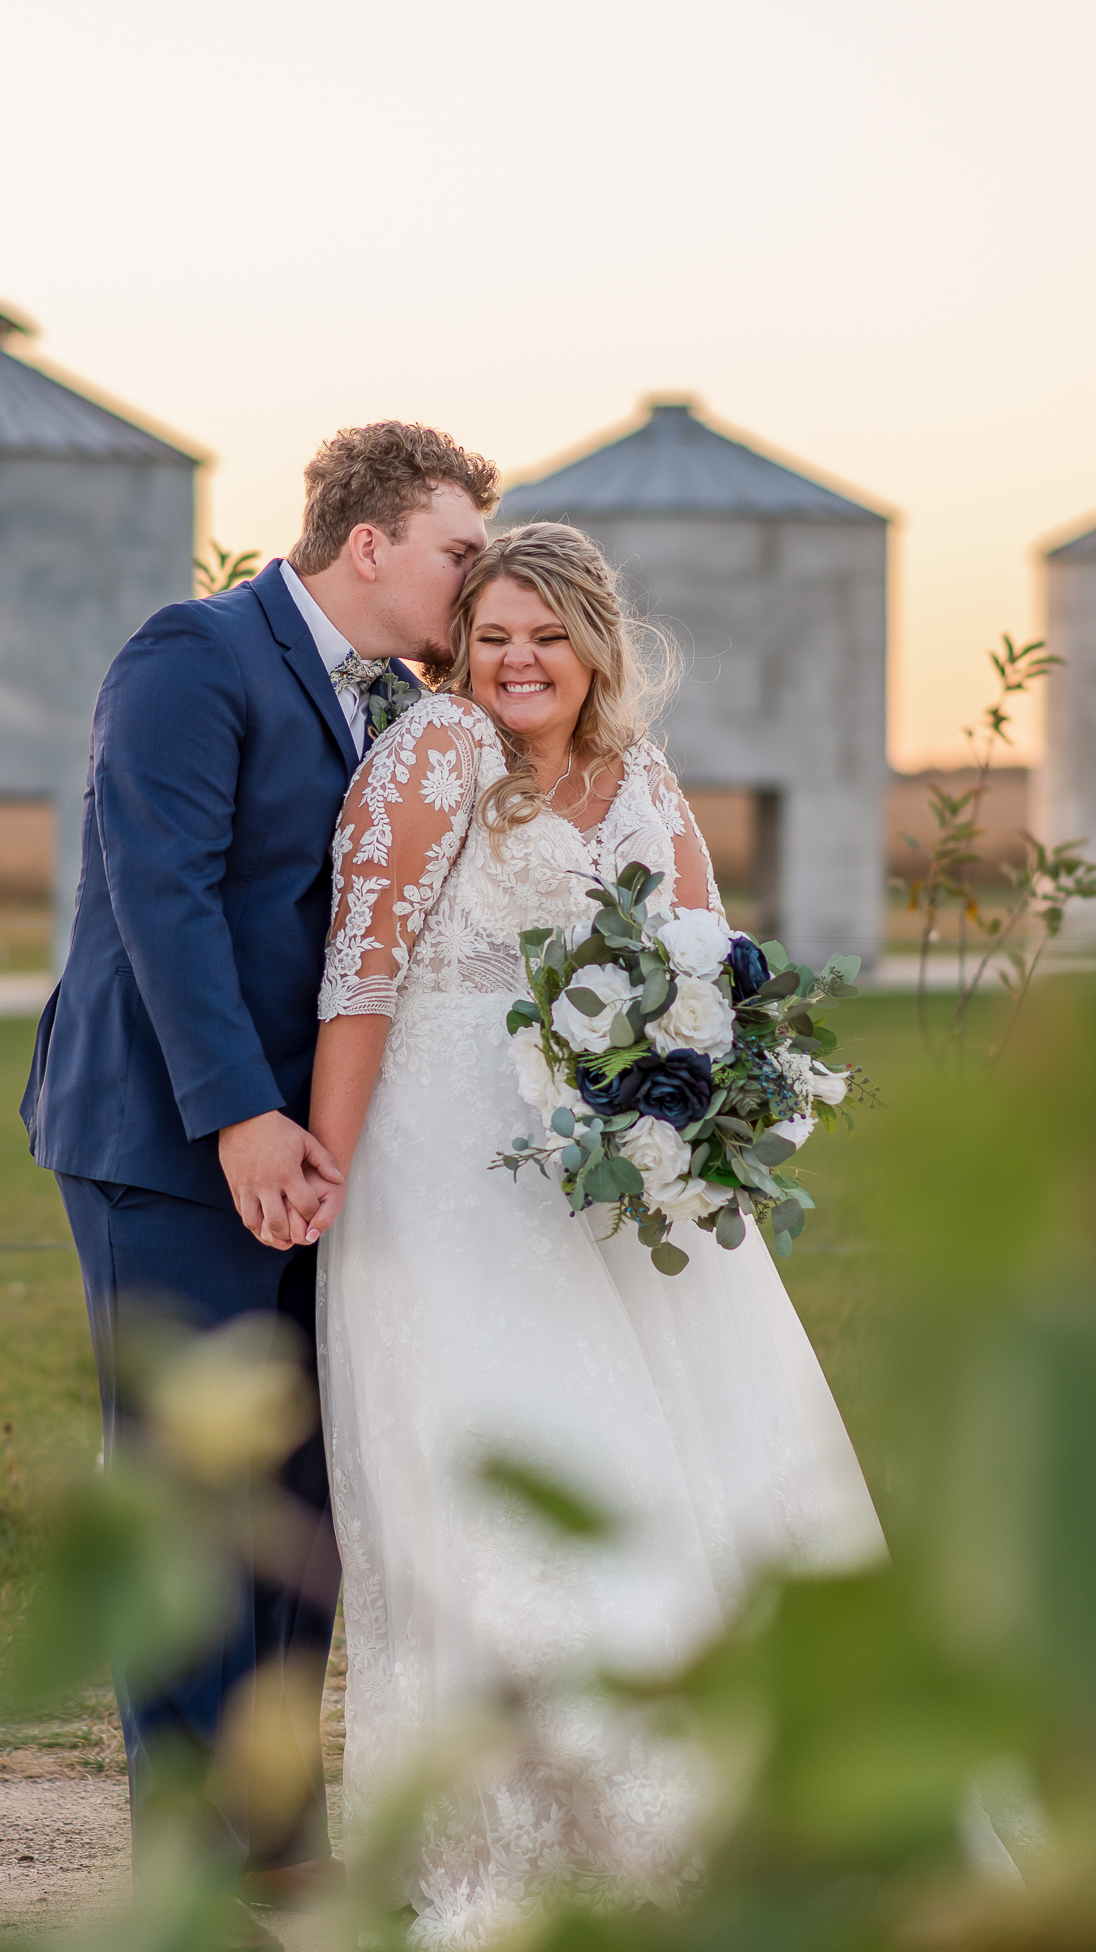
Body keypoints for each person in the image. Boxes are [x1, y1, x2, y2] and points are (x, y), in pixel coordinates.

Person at [307, 521, 887, 1947]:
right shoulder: (432, 754)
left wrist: (705, 1111)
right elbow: (360, 977)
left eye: (545, 636)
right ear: (460, 648)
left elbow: (700, 950)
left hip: (611, 1173)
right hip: (443, 1166)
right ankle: (523, 1820)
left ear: (594, 648)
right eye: (492, 635)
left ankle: (725, 1778)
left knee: (679, 1452)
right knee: (504, 1459)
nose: (516, 661)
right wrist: (324, 1161)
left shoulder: (639, 772)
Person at [19, 420, 500, 1946]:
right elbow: (154, 894)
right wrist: (237, 1115)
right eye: (457, 550)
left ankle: (279, 1827)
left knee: (305, 1495)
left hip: (320, 1151)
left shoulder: (393, 703)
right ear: (370, 545)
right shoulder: (192, 654)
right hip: (170, 1145)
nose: (474, 582)